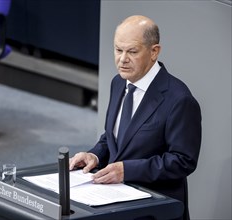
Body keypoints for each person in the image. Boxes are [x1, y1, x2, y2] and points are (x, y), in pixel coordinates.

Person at [69, 15, 201, 220]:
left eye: (132, 51)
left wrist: (127, 170)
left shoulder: (179, 99)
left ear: (154, 51)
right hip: (115, 200)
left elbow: (182, 161)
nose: (122, 59)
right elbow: (113, 137)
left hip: (155, 208)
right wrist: (94, 156)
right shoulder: (118, 83)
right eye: (118, 50)